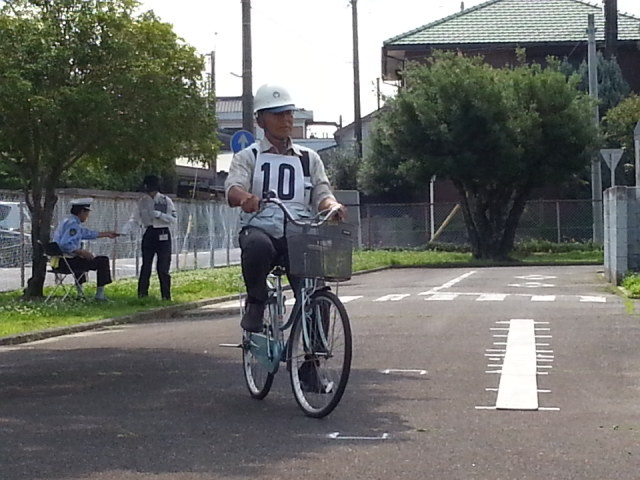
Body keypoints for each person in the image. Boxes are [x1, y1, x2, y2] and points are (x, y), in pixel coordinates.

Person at [225, 83, 346, 333]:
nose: (286, 119)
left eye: (289, 113)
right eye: (278, 114)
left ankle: (313, 357)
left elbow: (322, 193)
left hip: (299, 231)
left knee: (316, 289)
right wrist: (245, 198)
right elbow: (233, 188)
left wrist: (332, 206)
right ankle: (256, 302)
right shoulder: (248, 156)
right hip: (261, 227)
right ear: (261, 121)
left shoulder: (308, 158)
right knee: (257, 246)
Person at [52, 198, 119, 301]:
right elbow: (65, 244)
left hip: (58, 262)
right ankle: (100, 295)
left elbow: (86, 233)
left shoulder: (68, 221)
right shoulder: (73, 224)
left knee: (81, 259)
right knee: (103, 261)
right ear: (82, 211)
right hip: (66, 263)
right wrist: (81, 252)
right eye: (87, 213)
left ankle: (80, 293)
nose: (88, 216)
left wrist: (106, 234)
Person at [128, 174, 177, 300]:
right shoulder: (142, 202)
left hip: (163, 233)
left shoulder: (165, 200)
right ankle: (142, 295)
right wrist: (127, 229)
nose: (149, 193)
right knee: (146, 265)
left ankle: (166, 296)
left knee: (163, 267)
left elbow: (173, 219)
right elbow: (135, 218)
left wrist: (160, 215)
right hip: (149, 232)